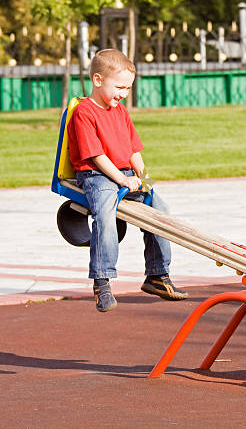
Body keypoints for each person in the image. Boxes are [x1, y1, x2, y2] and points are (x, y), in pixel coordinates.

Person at [67, 48, 188, 312]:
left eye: (128, 88)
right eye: (119, 87)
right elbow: (97, 156)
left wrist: (145, 179)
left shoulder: (120, 111)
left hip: (124, 175)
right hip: (96, 175)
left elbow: (134, 151)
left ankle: (157, 274)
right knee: (105, 215)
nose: (123, 93)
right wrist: (122, 179)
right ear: (98, 80)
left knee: (160, 208)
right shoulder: (84, 112)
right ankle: (102, 282)